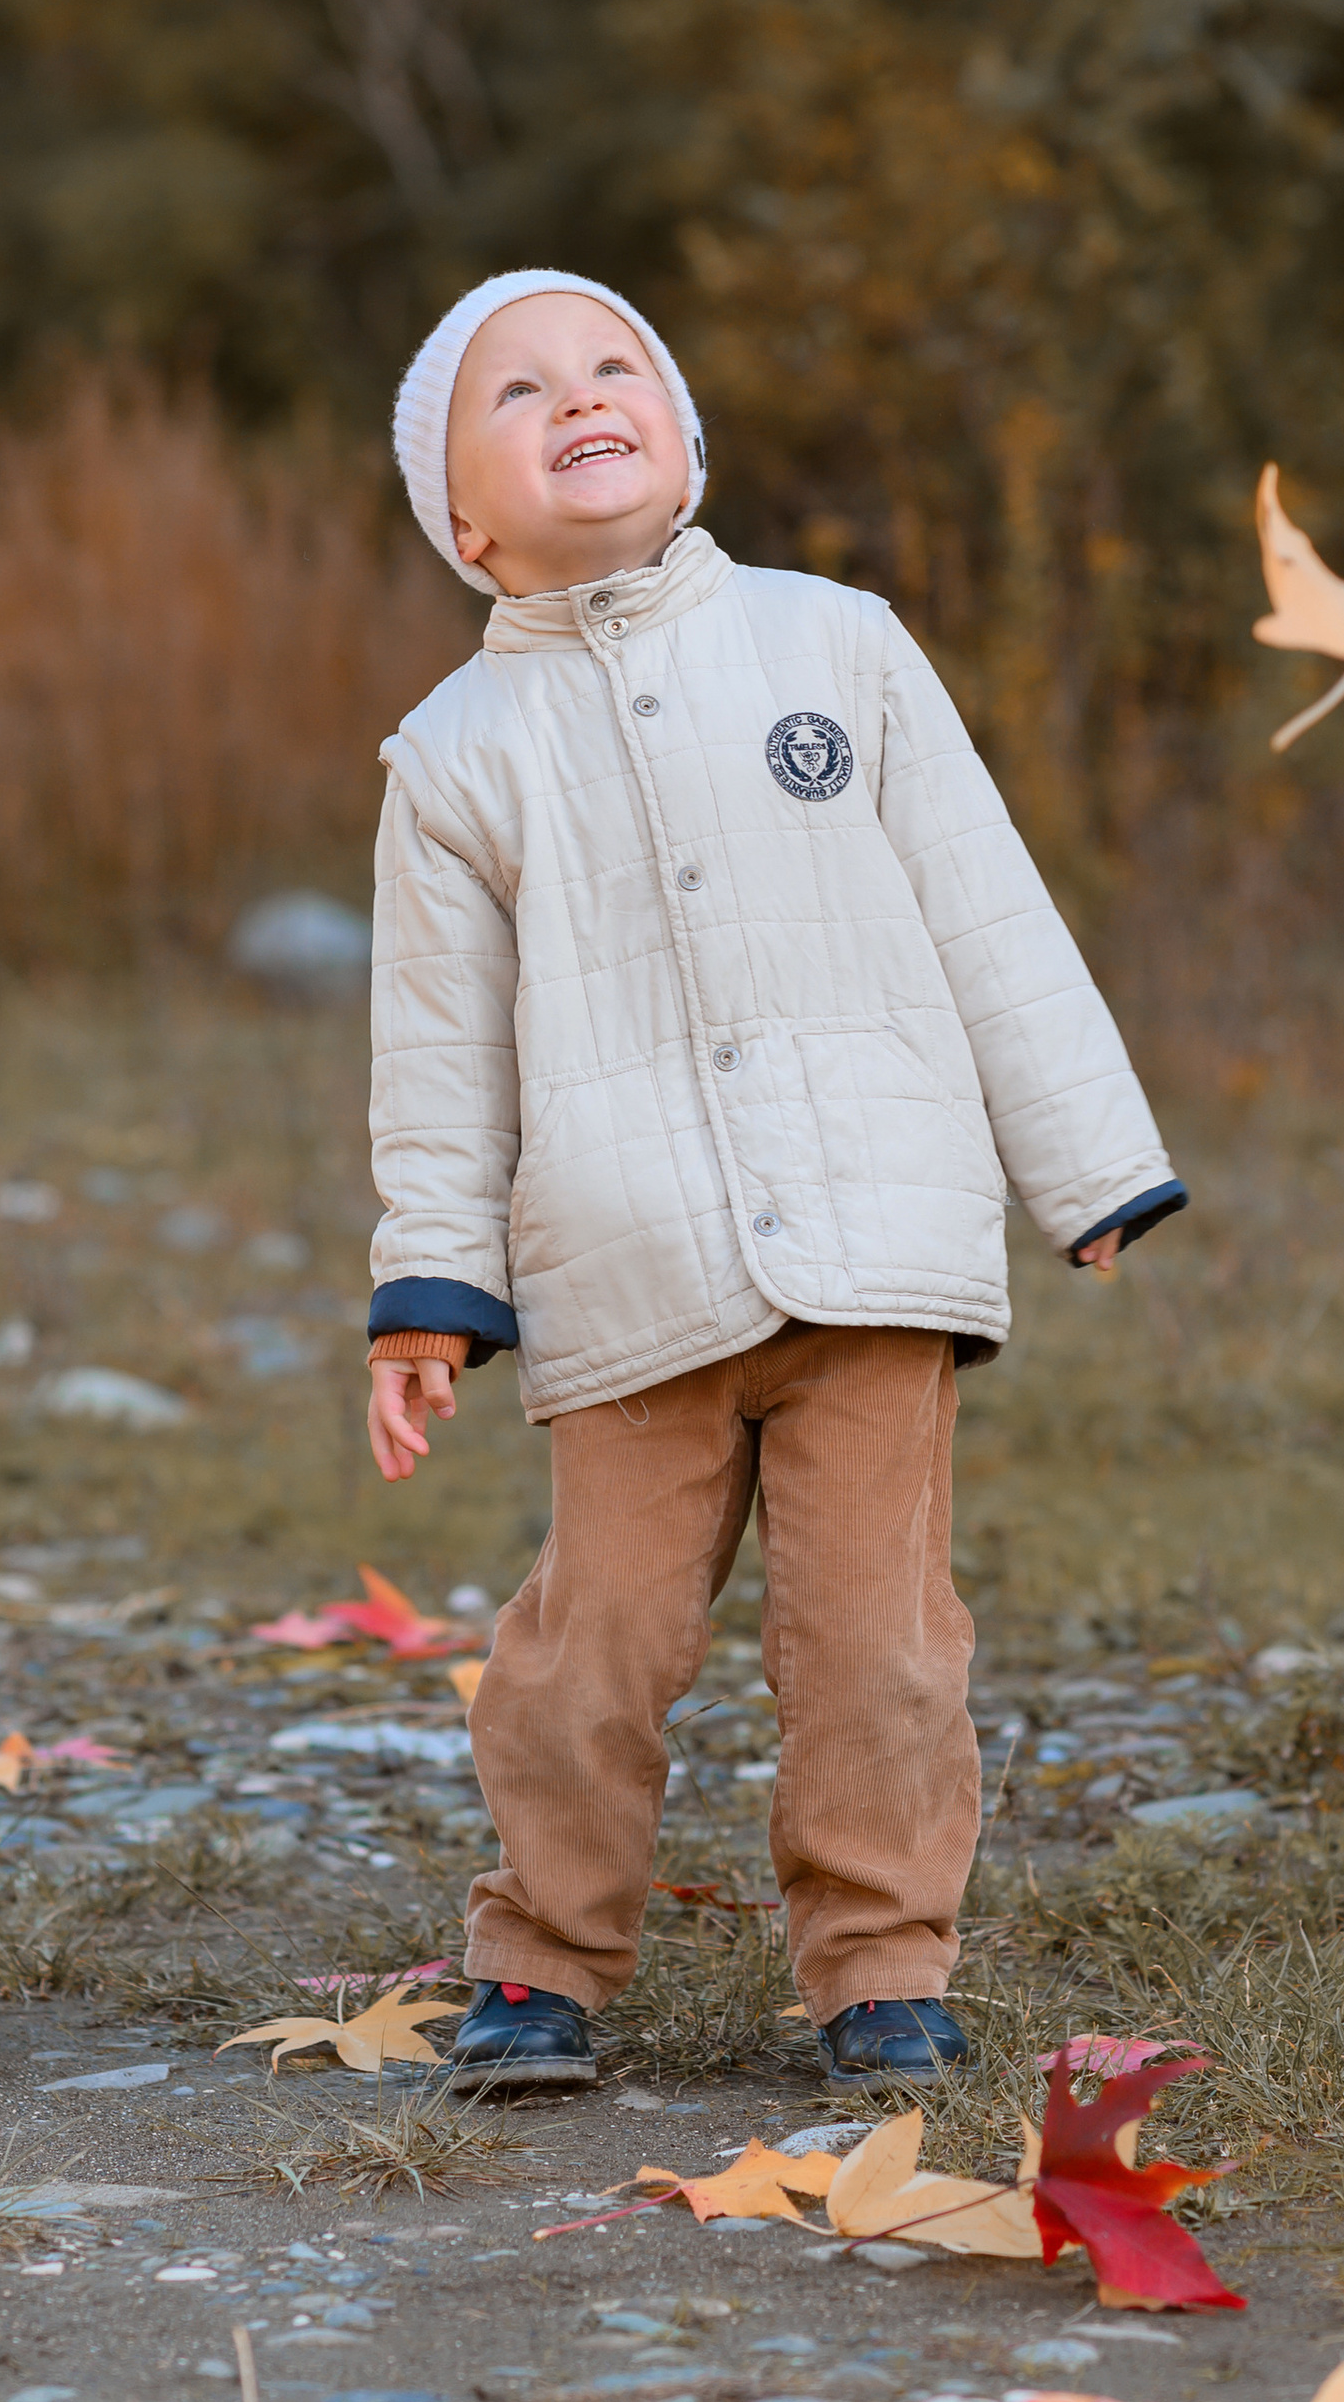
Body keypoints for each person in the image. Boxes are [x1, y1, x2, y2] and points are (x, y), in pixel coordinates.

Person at [364, 270, 1186, 2089]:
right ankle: (542, 1962)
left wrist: (1089, 1162)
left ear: (684, 434)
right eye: (518, 390)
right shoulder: (457, 757)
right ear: (465, 520)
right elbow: (436, 1053)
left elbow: (988, 911)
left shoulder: (837, 644)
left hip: (880, 1247)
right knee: (587, 1651)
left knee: (881, 1648)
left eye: (614, 364)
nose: (580, 394)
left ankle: (881, 1965)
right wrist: (429, 1289)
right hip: (622, 1274)